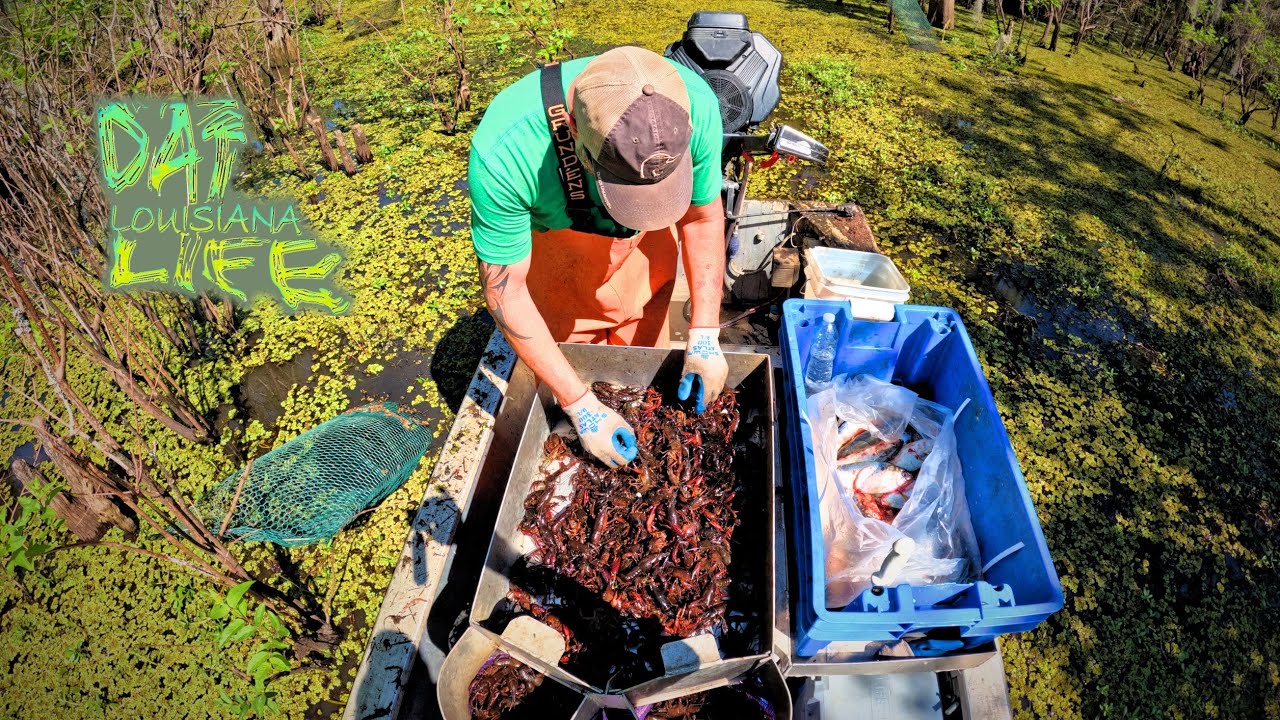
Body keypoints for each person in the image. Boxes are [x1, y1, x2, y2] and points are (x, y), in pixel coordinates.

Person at [468, 46, 729, 468]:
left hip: (644, 252)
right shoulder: (505, 152)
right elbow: (507, 293)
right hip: (560, 257)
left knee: (640, 376)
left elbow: (700, 219)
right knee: (569, 374)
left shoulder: (694, 106)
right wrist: (580, 404)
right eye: (627, 190)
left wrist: (704, 333)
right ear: (572, 127)